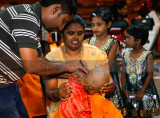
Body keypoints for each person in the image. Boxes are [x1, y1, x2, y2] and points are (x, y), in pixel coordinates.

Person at [0, 0, 89, 117]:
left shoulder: (32, 18)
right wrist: (67, 65)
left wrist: (65, 74)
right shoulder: (27, 18)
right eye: (64, 21)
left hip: (8, 84)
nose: (61, 27)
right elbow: (31, 65)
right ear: (55, 9)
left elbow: (39, 60)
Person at [43, 15, 115, 118]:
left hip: (93, 112)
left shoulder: (97, 54)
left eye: (80, 33)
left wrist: (111, 86)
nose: (76, 37)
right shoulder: (52, 58)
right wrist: (58, 93)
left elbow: (109, 82)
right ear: (62, 34)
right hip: (62, 113)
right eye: (71, 33)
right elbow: (49, 92)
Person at [89, 7, 125, 114]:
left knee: (108, 112)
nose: (95, 28)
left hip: (107, 80)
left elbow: (108, 65)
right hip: (92, 79)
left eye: (99, 24)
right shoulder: (90, 41)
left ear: (108, 24)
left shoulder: (113, 43)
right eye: (92, 25)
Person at [121, 24, 160, 117]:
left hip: (144, 92)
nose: (125, 40)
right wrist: (124, 89)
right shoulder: (125, 55)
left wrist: (142, 91)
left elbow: (150, 75)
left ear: (138, 41)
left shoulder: (148, 55)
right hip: (130, 92)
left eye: (128, 37)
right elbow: (123, 74)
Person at [52, 68, 123, 118]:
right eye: (96, 91)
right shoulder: (70, 92)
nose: (96, 93)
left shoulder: (77, 81)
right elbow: (68, 112)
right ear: (90, 88)